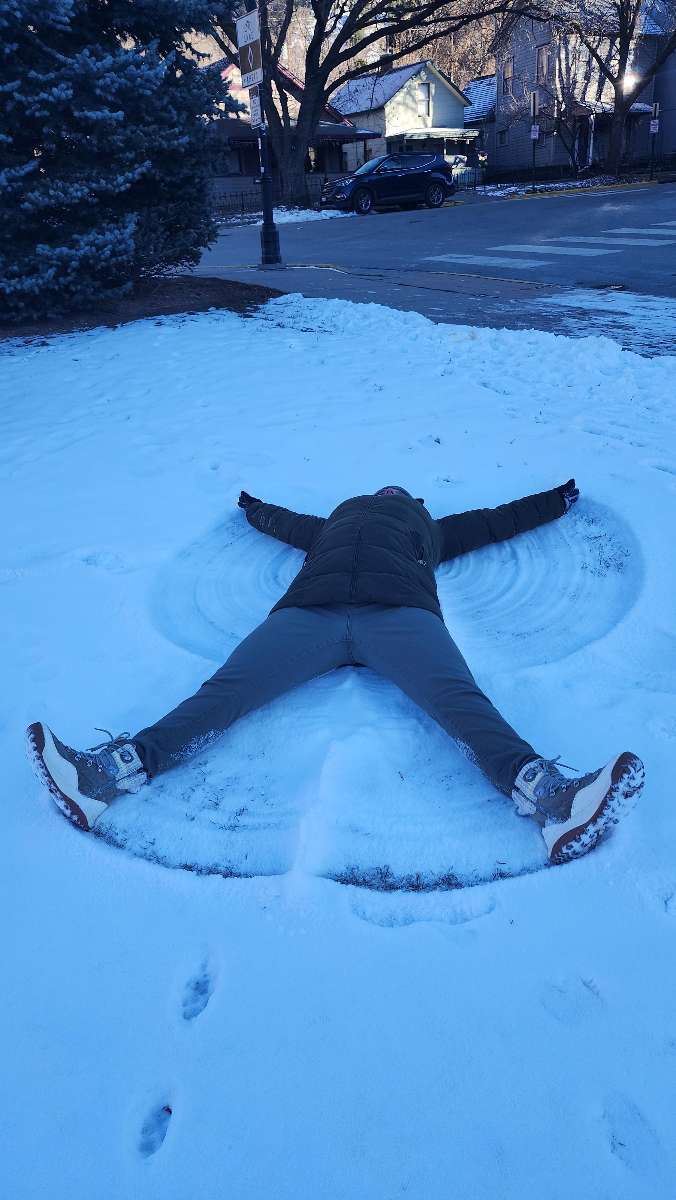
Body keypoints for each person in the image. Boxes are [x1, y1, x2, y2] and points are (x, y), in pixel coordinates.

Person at [27, 482, 644, 865]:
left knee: (460, 700)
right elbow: (284, 523)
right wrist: (253, 507)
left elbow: (498, 519)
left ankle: (553, 799)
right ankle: (108, 772)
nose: (389, 494)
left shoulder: (431, 530)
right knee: (227, 692)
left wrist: (555, 499)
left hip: (400, 616)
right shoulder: (331, 523)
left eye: (399, 493)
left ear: (413, 506)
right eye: (383, 491)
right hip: (307, 617)